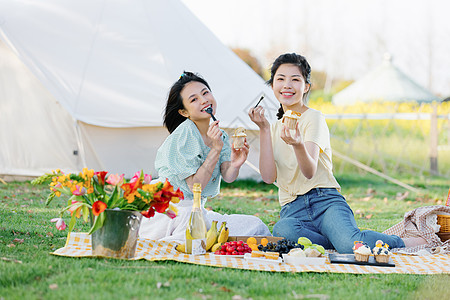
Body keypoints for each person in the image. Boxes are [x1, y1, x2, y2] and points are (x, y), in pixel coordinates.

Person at [248, 53, 426, 253]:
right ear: (272, 85)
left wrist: (298, 144)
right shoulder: (271, 128)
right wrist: (263, 129)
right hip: (293, 209)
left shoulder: (313, 118)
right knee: (282, 229)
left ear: (306, 87)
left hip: (324, 200)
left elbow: (309, 171)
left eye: (295, 79)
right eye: (280, 79)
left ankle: (400, 242)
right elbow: (268, 176)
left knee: (350, 246)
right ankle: (338, 239)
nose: (287, 85)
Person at [139, 71, 271, 242]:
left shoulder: (220, 135)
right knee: (196, 238)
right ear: (184, 112)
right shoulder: (184, 135)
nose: (204, 100)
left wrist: (236, 164)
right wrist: (215, 150)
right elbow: (196, 186)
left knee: (256, 226)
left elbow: (228, 176)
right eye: (194, 99)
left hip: (196, 210)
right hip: (173, 210)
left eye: (205, 92)